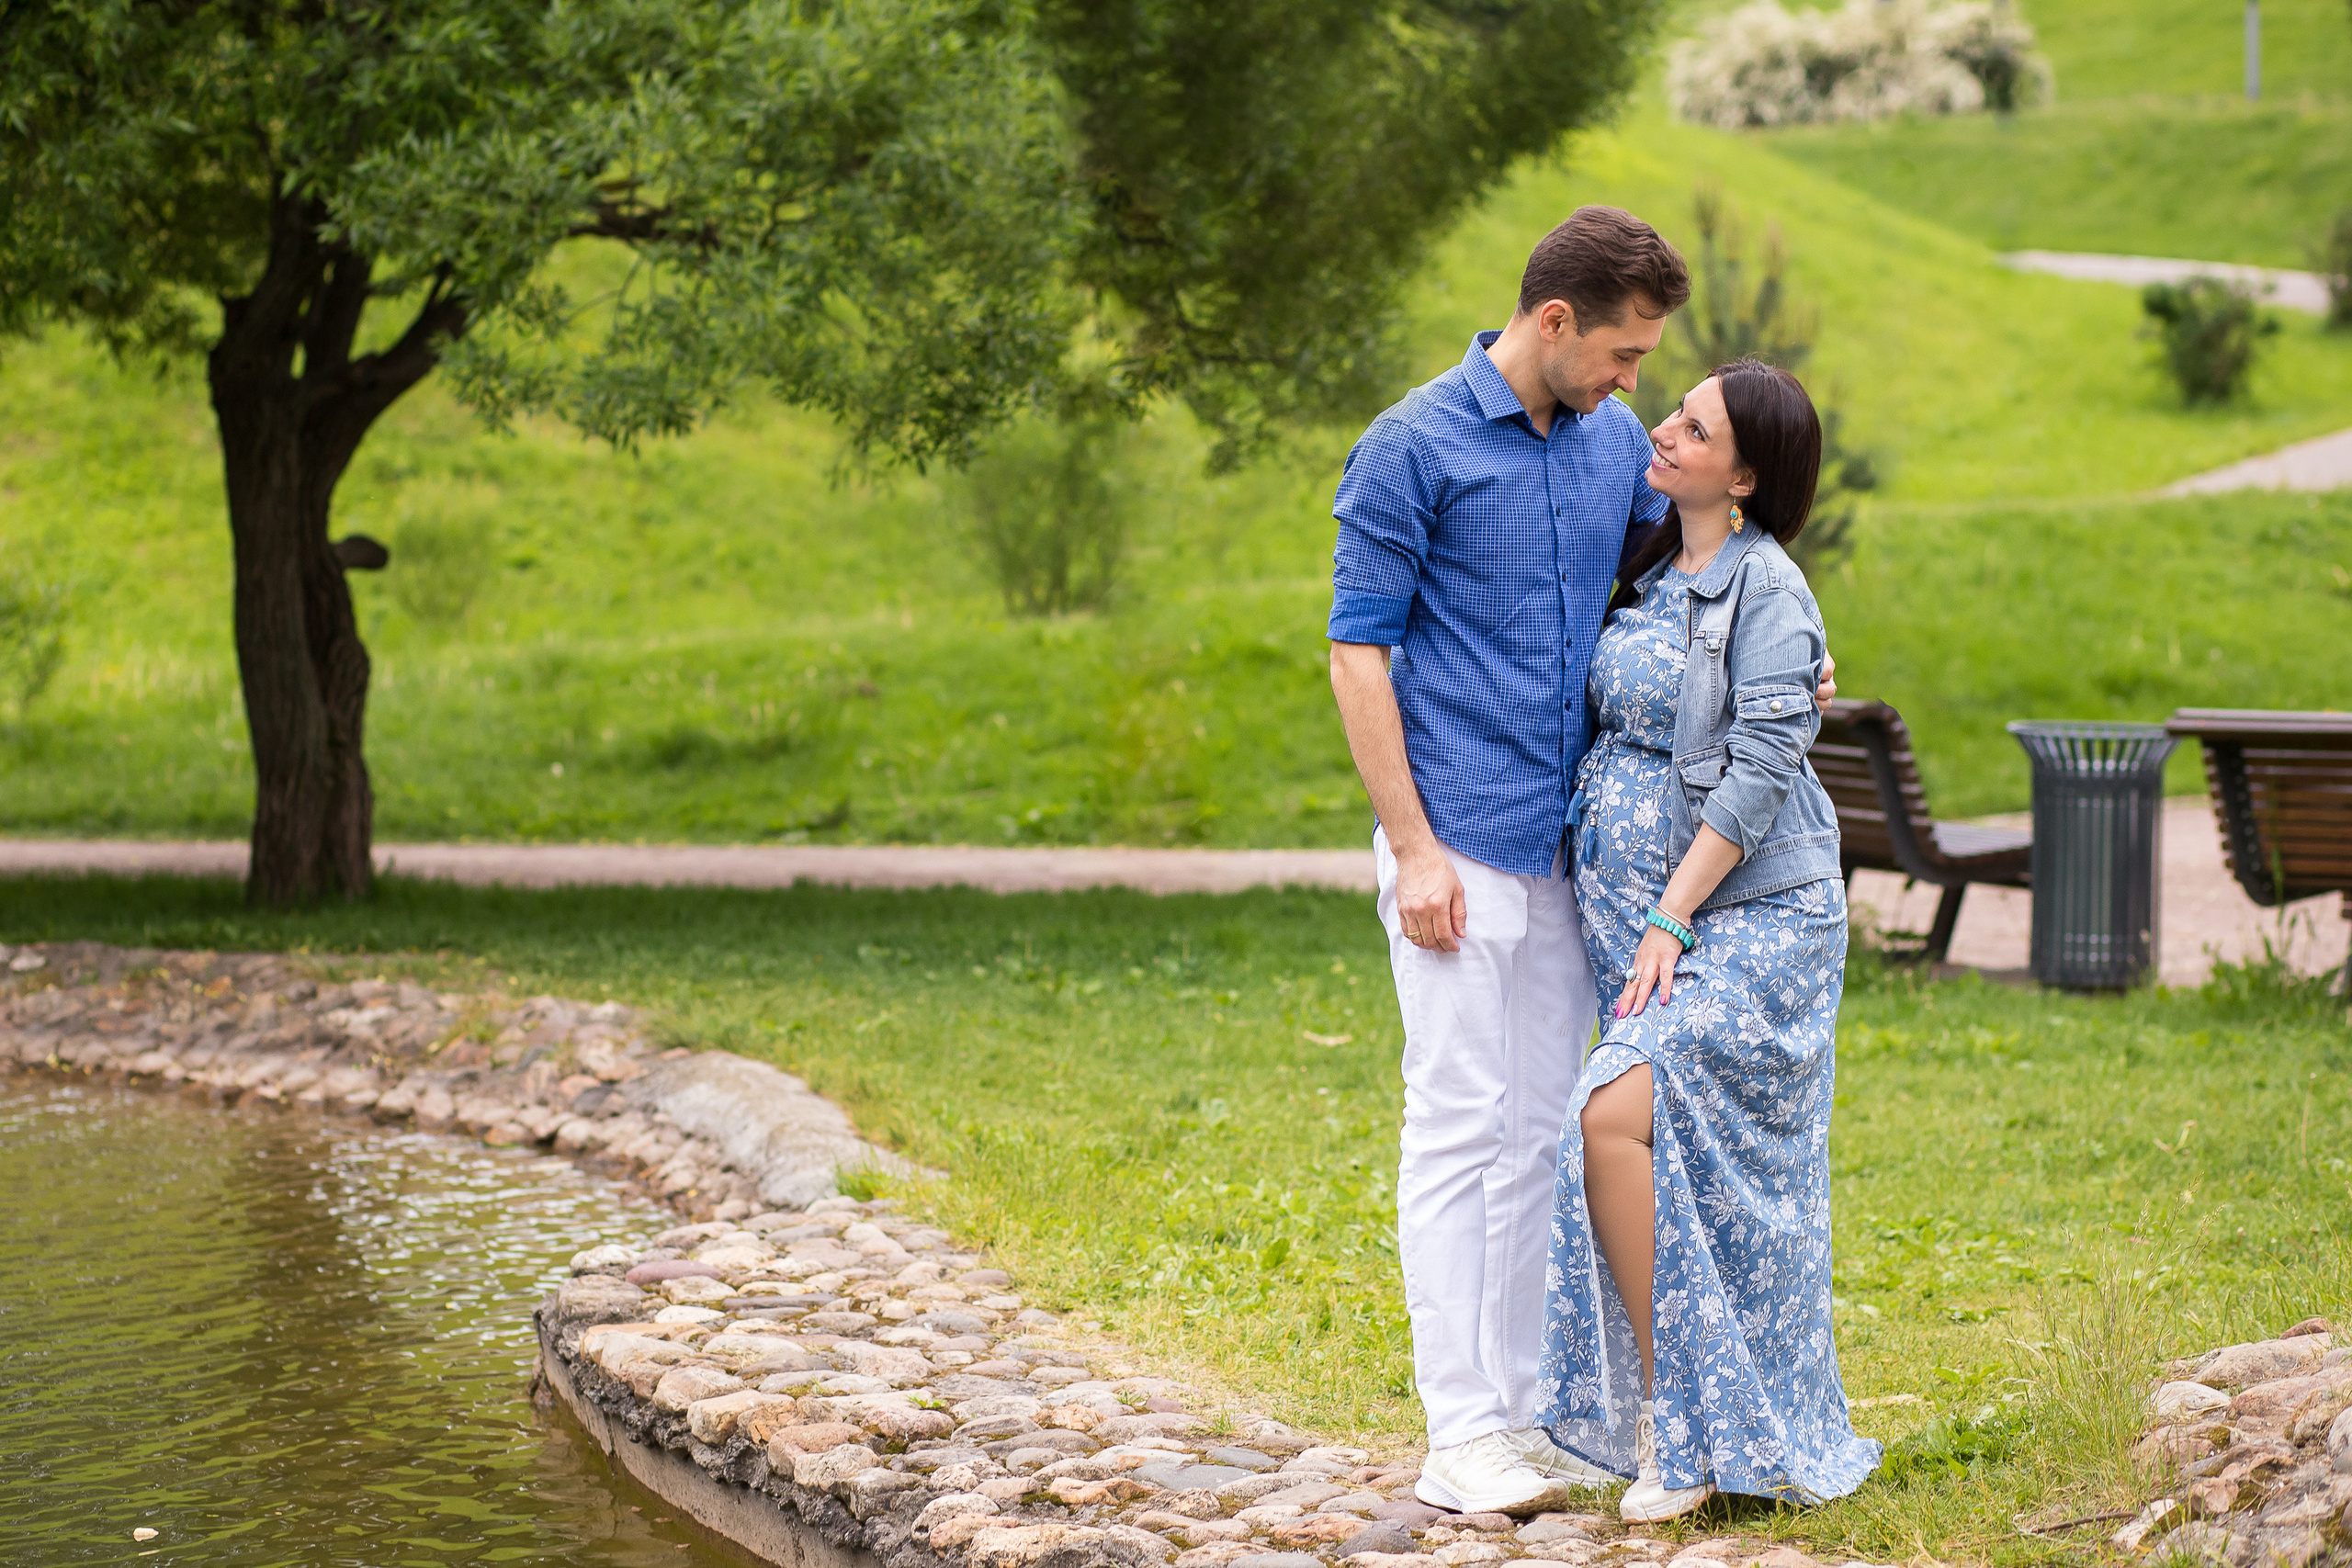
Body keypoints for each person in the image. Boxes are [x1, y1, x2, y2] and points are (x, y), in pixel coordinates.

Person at [1326, 206, 1692, 1517]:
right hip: (1456, 847)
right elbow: (1356, 650)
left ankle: (1524, 1416)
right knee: (1460, 1120)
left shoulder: (1607, 451)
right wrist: (1414, 846)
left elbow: (1681, 581)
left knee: (1541, 1135)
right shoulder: (1410, 445)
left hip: (1566, 855)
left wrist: (1786, 653)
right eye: (1625, 352)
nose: (1632, 380)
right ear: (1554, 322)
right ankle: (1457, 1427)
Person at [1535, 362, 1882, 1522]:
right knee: (1663, 1149)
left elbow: (1763, 769)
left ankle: (1680, 1428)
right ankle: (1680, 1423)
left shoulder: (1768, 588)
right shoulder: (1650, 561)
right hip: (1644, 923)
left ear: (1742, 473)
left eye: (1693, 425)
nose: (1664, 428)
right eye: (1671, 411)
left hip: (1753, 920)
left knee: (1614, 1114)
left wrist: (1671, 915)